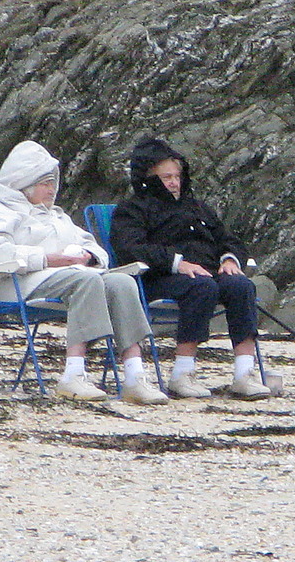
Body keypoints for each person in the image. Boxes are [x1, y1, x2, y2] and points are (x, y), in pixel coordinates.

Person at [0, 140, 168, 405]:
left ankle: (134, 376)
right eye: (44, 183)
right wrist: (48, 259)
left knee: (121, 283)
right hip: (17, 282)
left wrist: (88, 257)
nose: (52, 190)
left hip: (67, 277)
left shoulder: (57, 216)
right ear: (24, 183)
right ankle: (73, 375)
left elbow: (93, 246)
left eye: (52, 183)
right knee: (85, 281)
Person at [110, 137, 270, 400]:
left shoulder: (197, 207)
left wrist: (230, 259)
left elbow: (228, 238)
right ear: (148, 178)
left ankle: (244, 373)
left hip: (208, 272)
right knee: (201, 287)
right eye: (166, 177)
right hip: (158, 277)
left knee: (241, 285)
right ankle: (182, 374)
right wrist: (177, 263)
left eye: (177, 176)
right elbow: (130, 248)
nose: (174, 182)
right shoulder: (132, 209)